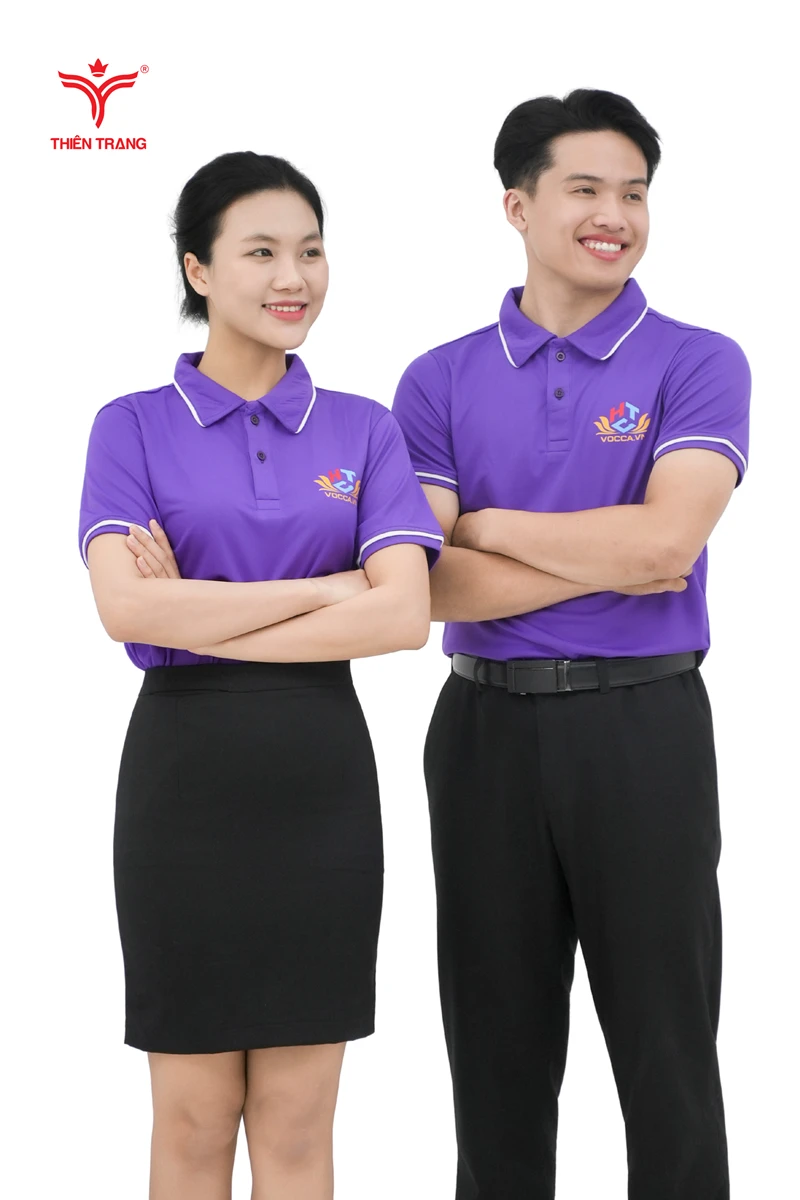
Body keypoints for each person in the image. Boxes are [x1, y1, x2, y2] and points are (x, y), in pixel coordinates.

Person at [391, 89, 750, 1200]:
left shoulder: (696, 361)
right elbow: (424, 585)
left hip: (641, 726)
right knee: (492, 1055)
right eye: (585, 189)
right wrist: (605, 549)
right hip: (480, 729)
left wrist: (489, 523)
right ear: (517, 205)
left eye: (634, 193)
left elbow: (665, 546)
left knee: (667, 1054)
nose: (615, 215)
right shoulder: (438, 378)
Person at [78, 151, 444, 1200]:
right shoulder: (131, 424)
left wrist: (197, 611)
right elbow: (125, 609)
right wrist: (328, 592)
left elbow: (403, 616)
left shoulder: (364, 427)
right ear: (197, 269)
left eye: (311, 251)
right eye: (262, 253)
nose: (295, 277)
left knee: (297, 1120)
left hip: (320, 784)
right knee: (192, 1118)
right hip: (183, 782)